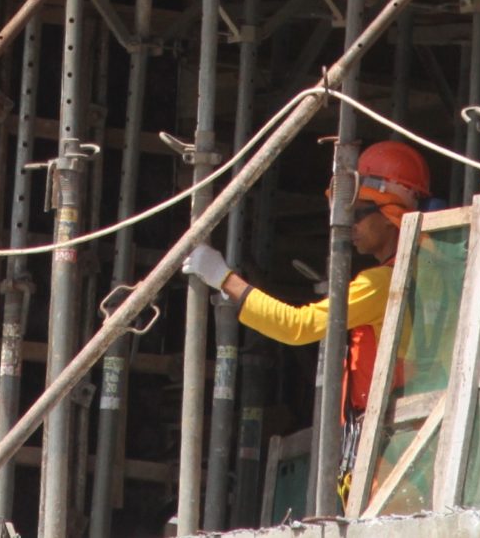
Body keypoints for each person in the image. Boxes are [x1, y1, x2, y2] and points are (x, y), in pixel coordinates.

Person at [184, 140, 431, 438]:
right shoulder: (429, 272)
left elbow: (296, 326)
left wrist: (225, 279)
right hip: (411, 435)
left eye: (358, 213)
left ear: (392, 216)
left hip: (389, 443)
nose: (348, 224)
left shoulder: (382, 284)